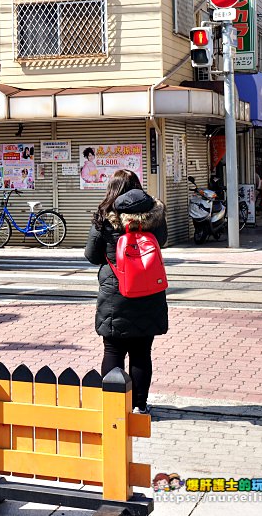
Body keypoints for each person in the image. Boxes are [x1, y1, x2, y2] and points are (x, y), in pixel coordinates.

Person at [84, 169, 168, 414]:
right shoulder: (155, 215)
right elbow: (161, 243)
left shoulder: (104, 217)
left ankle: (113, 406)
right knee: (142, 352)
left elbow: (91, 255)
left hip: (115, 293)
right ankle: (139, 407)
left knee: (113, 350)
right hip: (149, 290)